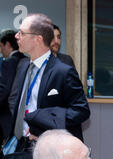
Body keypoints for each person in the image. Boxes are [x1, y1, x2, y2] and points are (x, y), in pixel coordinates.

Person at [11, 13, 89, 144]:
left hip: (49, 149)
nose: (16, 36)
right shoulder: (24, 66)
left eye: (22, 33)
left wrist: (44, 127)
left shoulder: (63, 71)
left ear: (38, 39)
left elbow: (81, 111)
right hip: (20, 144)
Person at [0, 30, 26, 143]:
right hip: (23, 114)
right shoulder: (26, 59)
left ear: (8, 44)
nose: (1, 51)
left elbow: (5, 89)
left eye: (1, 46)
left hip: (7, 115)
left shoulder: (9, 62)